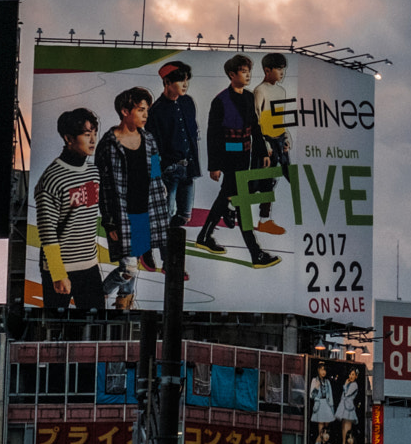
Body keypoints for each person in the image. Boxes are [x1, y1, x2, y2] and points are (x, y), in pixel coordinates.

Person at [193, 54, 280, 267]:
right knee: (241, 203)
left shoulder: (249, 97)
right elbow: (213, 135)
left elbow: (256, 129)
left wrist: (262, 154)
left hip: (246, 157)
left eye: (249, 71)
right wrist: (214, 166)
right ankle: (255, 252)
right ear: (232, 75)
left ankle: (204, 236)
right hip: (229, 158)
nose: (248, 74)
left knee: (226, 198)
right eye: (243, 71)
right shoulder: (220, 100)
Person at [32, 108, 105, 311]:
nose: (92, 140)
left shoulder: (93, 172)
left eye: (94, 133)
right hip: (60, 268)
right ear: (69, 138)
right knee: (56, 327)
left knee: (97, 323)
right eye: (86, 134)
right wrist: (58, 273)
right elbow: (47, 233)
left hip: (89, 265)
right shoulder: (52, 178)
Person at [95, 85, 170, 280]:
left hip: (147, 211)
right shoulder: (108, 144)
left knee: (133, 269)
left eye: (147, 110)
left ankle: (123, 303)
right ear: (125, 111)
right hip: (123, 215)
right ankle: (102, 295)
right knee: (128, 269)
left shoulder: (149, 139)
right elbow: (103, 187)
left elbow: (155, 170)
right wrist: (109, 222)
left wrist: (160, 188)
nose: (145, 115)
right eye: (140, 110)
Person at [152, 61, 201, 233]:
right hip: (169, 171)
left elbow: (193, 135)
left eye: (187, 79)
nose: (185, 84)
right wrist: (157, 179)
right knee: (165, 215)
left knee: (185, 216)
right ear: (167, 82)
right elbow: (153, 150)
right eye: (180, 80)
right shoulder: (156, 111)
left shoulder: (188, 102)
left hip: (188, 167)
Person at [251, 52, 295, 230]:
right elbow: (256, 119)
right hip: (266, 141)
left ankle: (264, 219)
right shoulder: (260, 91)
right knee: (260, 181)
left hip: (279, 140)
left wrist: (286, 136)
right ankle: (259, 217)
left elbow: (280, 118)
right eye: (278, 69)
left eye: (283, 69)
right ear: (267, 70)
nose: (282, 72)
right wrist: (264, 143)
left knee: (286, 175)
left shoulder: (282, 91)